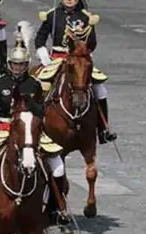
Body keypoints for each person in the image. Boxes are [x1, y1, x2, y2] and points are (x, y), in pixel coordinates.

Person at [0, 35, 70, 225]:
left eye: (21, 65)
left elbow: (41, 111)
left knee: (57, 166)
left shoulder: (34, 85)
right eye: (14, 64)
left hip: (28, 131)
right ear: (9, 64)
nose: (17, 68)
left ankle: (56, 207)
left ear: (27, 65)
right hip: (2, 129)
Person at [34, 0, 116, 143]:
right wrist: (43, 54)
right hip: (57, 59)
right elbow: (40, 39)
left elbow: (92, 42)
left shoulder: (85, 17)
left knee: (100, 89)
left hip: (79, 60)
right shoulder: (52, 15)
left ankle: (103, 129)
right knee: (39, 84)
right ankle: (38, 125)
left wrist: (83, 52)